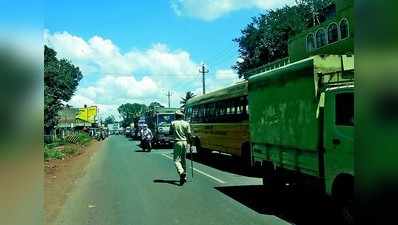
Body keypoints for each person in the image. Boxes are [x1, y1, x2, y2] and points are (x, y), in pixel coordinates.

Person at [169, 110, 192, 186]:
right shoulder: (186, 123)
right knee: (183, 160)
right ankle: (184, 177)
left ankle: (181, 172)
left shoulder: (173, 123)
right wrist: (191, 142)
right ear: (182, 116)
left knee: (176, 160)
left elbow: (170, 132)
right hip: (185, 142)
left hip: (177, 142)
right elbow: (189, 134)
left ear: (176, 116)